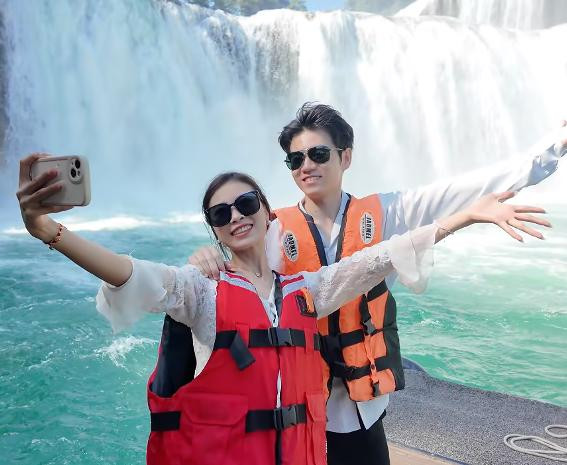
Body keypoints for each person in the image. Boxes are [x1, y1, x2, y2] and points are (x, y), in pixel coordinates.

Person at [17, 153, 550, 465]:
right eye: (221, 214)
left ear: (269, 214)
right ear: (215, 230)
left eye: (246, 203)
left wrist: (466, 216)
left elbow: (380, 258)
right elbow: (129, 273)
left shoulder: (306, 288)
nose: (236, 216)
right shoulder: (200, 291)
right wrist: (47, 231)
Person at [189, 103, 567, 465]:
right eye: (296, 159)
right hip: (297, 407)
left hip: (362, 407)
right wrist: (205, 257)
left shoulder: (388, 213)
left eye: (318, 154)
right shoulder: (273, 229)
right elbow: (237, 271)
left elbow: (468, 187)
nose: (307, 166)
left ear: (346, 157)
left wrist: (556, 146)